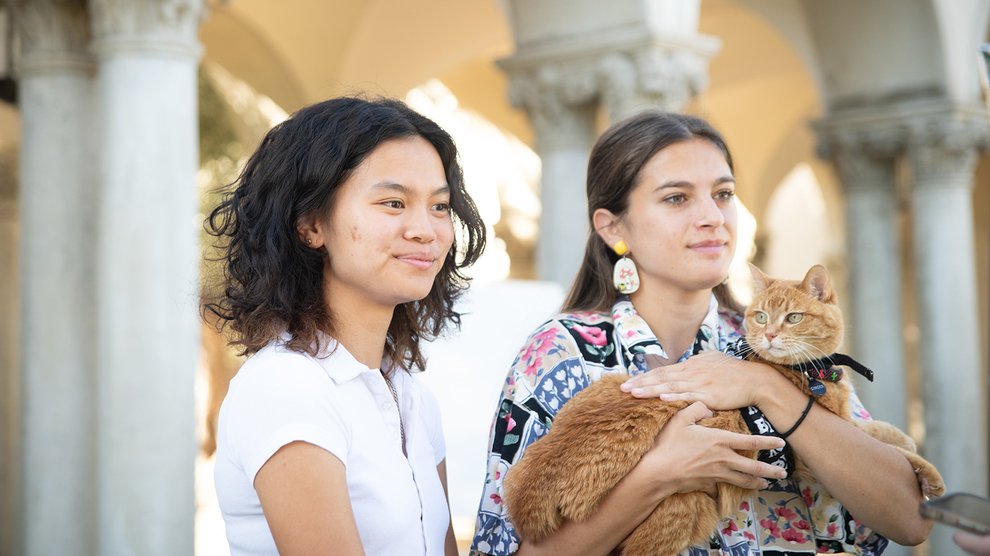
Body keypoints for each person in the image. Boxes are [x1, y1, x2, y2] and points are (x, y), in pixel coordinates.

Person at [470, 111, 932, 555]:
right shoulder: (561, 352)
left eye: (724, 194)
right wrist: (658, 475)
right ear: (613, 228)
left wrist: (766, 386)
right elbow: (504, 549)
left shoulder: (778, 348)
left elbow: (910, 519)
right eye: (677, 198)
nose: (713, 216)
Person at [205, 96, 486, 555]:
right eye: (393, 203)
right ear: (311, 225)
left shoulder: (412, 396)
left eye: (439, 206)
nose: (426, 230)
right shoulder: (287, 386)